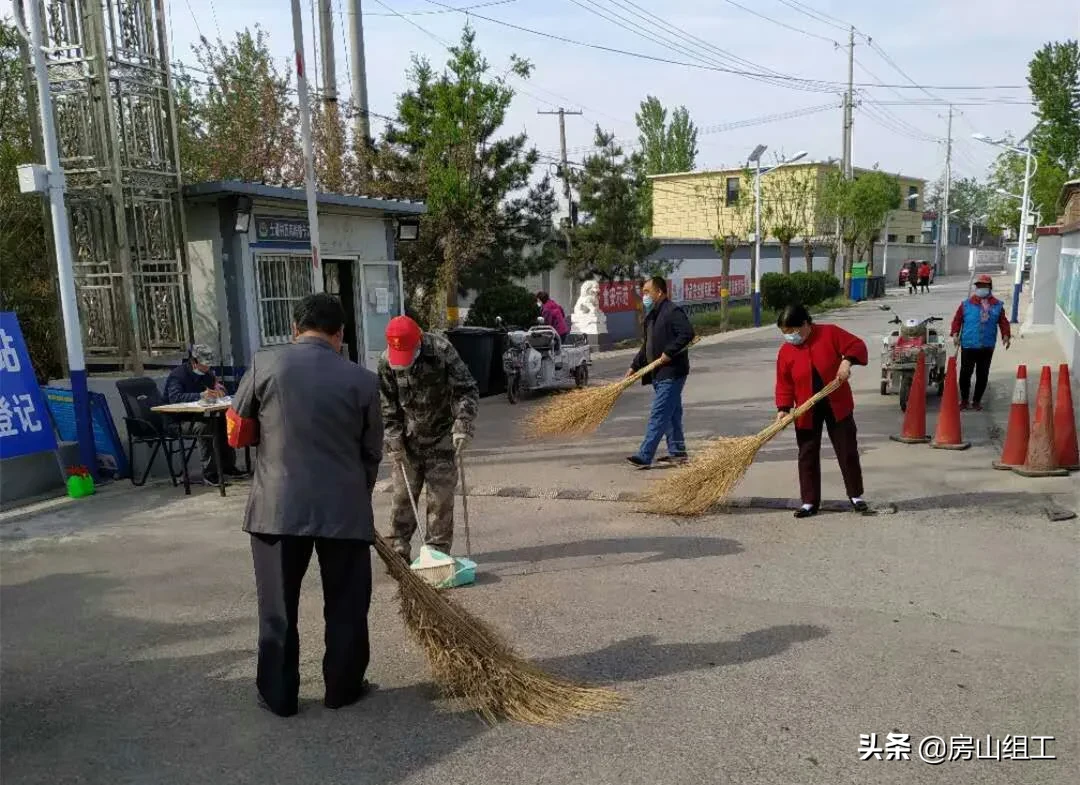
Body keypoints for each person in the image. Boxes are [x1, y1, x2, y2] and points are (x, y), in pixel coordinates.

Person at [230, 293, 384, 717]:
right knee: (347, 604)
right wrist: (356, 494)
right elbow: (372, 452)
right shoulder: (363, 380)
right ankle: (343, 689)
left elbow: (237, 431)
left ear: (295, 329)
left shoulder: (265, 365)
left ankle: (279, 696)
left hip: (277, 508)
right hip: (343, 508)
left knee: (278, 608)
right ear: (340, 334)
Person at [380, 315, 479, 562]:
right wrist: (393, 439)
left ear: (419, 341)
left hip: (442, 437)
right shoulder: (386, 362)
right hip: (408, 440)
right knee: (402, 498)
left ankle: (436, 555)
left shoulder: (442, 351)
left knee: (440, 500)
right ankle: (397, 552)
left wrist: (463, 423)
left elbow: (466, 389)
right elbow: (387, 405)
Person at [774, 303, 869, 518]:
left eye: (792, 331)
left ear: (805, 324)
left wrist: (847, 361)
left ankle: (856, 495)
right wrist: (783, 408)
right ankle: (809, 501)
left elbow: (857, 345)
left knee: (847, 449)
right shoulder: (786, 351)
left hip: (837, 403)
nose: (789, 336)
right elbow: (784, 383)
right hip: (806, 408)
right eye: (785, 333)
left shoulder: (829, 333)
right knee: (807, 453)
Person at [625, 276, 695, 468]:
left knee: (660, 412)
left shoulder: (672, 311)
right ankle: (678, 452)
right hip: (657, 373)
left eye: (647, 292)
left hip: (672, 372)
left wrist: (669, 353)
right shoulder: (652, 315)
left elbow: (687, 333)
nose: (644, 296)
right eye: (643, 293)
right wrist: (634, 366)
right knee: (671, 413)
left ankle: (645, 455)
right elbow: (647, 346)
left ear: (659, 292)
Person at [164, 343, 242, 485]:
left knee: (223, 421)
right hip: (178, 421)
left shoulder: (208, 374)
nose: (207, 368)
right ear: (194, 362)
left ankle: (228, 466)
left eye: (209, 365)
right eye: (204, 365)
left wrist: (219, 391)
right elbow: (175, 398)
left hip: (199, 415)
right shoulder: (178, 376)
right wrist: (200, 395)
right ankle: (209, 473)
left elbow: (215, 388)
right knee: (204, 427)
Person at [949, 273, 1011, 411]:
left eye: (984, 285)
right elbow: (957, 320)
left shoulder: (997, 305)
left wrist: (1006, 335)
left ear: (990, 287)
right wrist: (955, 333)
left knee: (982, 375)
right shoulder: (966, 304)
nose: (981, 288)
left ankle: (976, 401)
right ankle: (964, 400)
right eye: (979, 286)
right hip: (969, 345)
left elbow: (1003, 322)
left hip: (987, 345)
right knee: (965, 374)